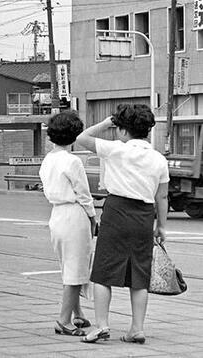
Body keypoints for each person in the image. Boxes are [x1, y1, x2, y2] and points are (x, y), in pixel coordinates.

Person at [75, 104, 169, 344]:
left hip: (117, 211)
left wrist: (106, 123)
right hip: (144, 216)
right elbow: (162, 197)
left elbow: (82, 138)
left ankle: (102, 325)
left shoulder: (115, 149)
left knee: (103, 273)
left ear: (124, 130)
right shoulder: (159, 159)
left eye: (118, 128)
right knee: (139, 275)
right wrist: (162, 227)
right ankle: (137, 328)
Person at [39, 111, 96, 337]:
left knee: (68, 265)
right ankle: (64, 320)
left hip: (57, 215)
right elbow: (84, 195)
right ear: (74, 135)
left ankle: (77, 312)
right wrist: (93, 218)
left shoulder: (48, 160)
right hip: (75, 215)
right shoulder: (73, 161)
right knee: (77, 268)